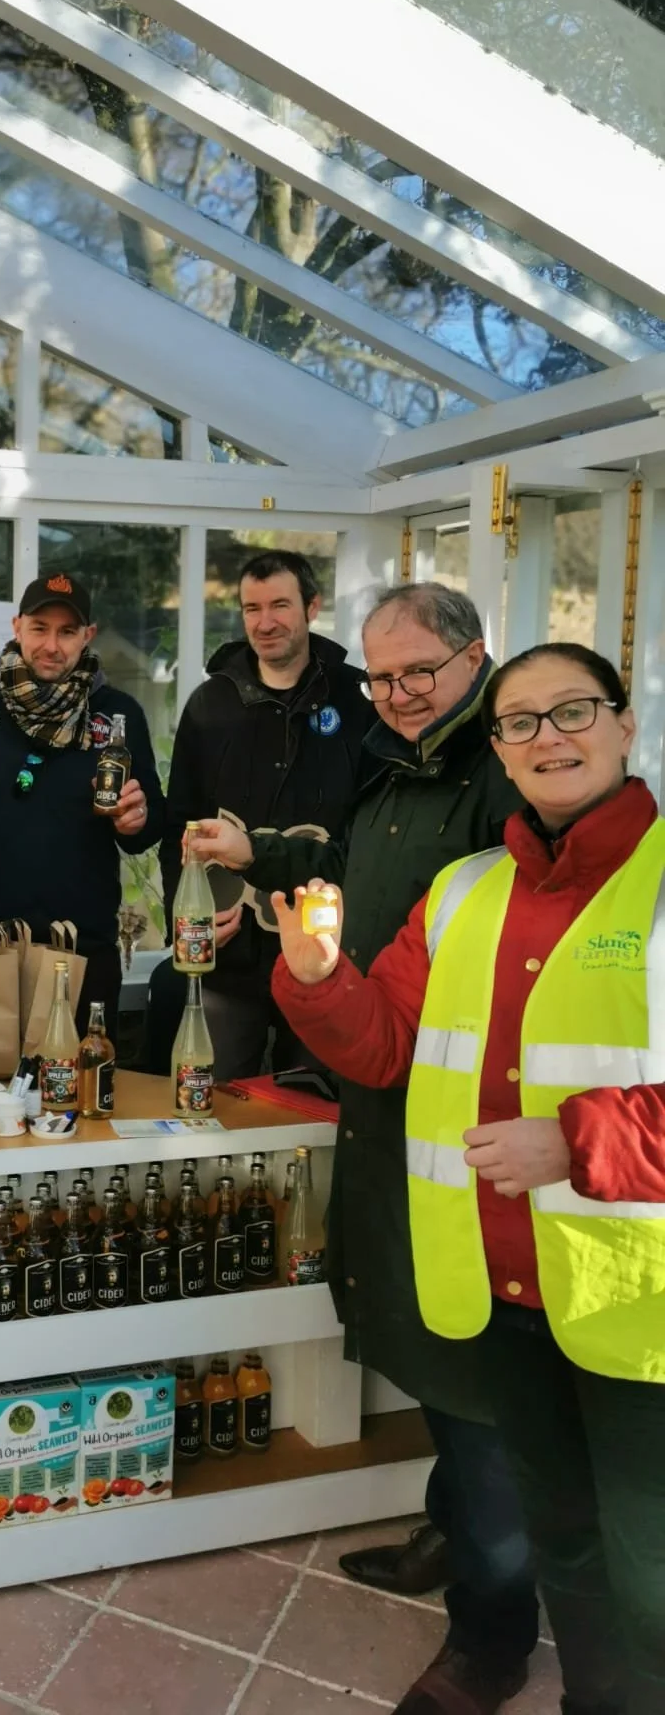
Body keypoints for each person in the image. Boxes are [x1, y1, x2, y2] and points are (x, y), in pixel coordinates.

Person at [271, 641, 665, 1715]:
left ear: (626, 725)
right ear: (496, 748)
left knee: (654, 1580)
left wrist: (579, 1142)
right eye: (521, 722)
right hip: (503, 1299)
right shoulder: (463, 892)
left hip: (644, 1316)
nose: (549, 738)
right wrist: (316, 978)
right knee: (570, 1556)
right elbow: (382, 1043)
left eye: (573, 711)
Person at [192, 582, 536, 1715]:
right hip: (384, 1085)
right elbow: (346, 867)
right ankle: (453, 1531)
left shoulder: (498, 782)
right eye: (381, 678)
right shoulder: (402, 762)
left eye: (417, 676)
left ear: (475, 661)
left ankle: (490, 1633)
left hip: (466, 1118)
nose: (392, 696)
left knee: (478, 1372)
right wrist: (282, 902)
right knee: (421, 1332)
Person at [143, 548, 373, 1076]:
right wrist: (187, 919)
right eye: (251, 608)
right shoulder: (210, 705)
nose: (265, 622)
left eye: (279, 605)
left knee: (312, 1111)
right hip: (231, 956)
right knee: (215, 1105)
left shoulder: (359, 701)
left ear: (312, 607)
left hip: (325, 954)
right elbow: (182, 826)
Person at [0, 572, 164, 1027]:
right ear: (17, 627)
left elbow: (150, 825)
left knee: (83, 1092)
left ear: (88, 636)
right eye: (40, 629)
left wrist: (137, 820)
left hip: (82, 950)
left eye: (67, 631)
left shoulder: (118, 716)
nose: (52, 645)